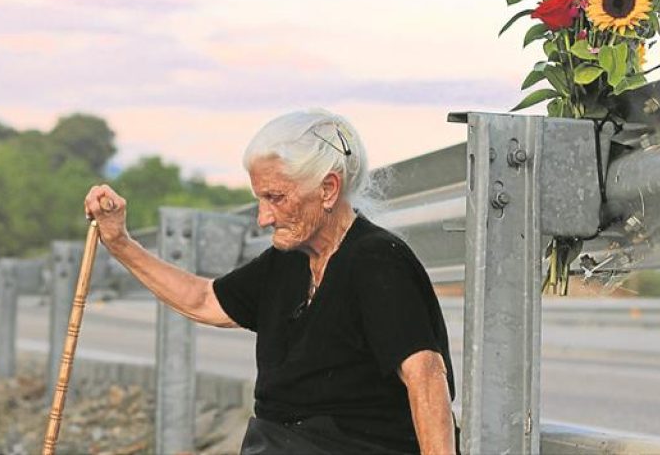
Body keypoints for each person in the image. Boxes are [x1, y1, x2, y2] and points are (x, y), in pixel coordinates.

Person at [84, 109, 457, 454]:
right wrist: (120, 243)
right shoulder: (288, 261)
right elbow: (203, 300)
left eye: (275, 198)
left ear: (327, 189)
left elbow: (425, 376)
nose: (263, 217)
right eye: (259, 198)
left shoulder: (377, 260)